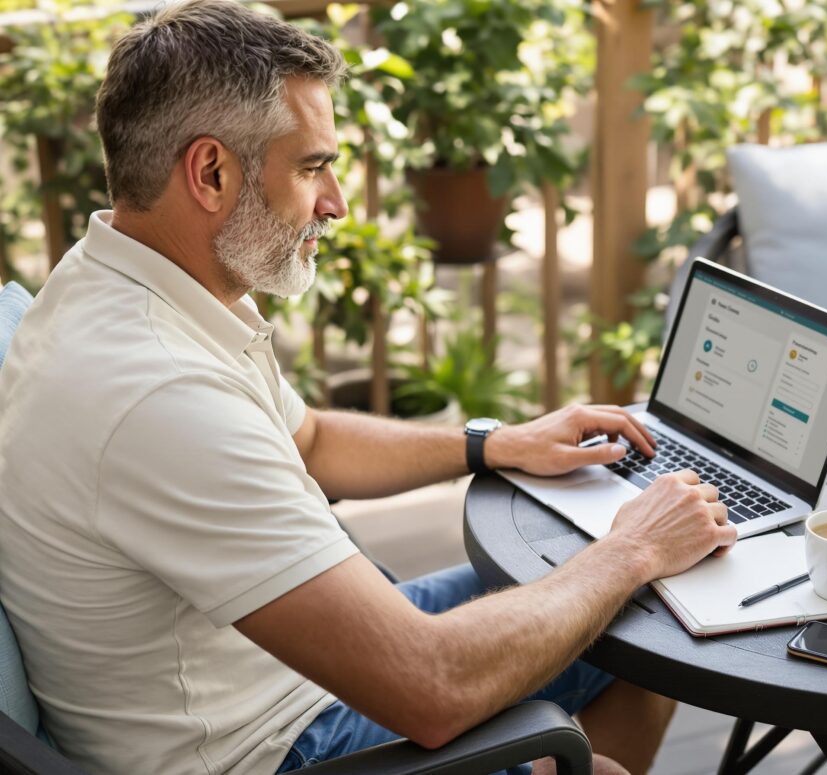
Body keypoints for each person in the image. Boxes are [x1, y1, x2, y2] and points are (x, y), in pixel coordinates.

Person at [0, 2, 737, 774]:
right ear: (211, 172)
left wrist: (496, 443)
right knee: (631, 612)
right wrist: (631, 547)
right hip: (269, 745)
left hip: (278, 667)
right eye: (313, 167)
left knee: (644, 613)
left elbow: (310, 440)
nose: (337, 203)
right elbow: (432, 684)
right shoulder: (158, 393)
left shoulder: (123, 283)